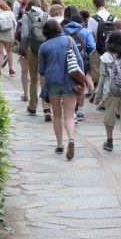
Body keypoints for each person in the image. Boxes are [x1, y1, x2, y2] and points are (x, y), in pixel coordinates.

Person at [38, 19, 83, 160]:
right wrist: (80, 79)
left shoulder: (43, 46)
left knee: (57, 115)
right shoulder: (69, 40)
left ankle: (59, 145)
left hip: (52, 83)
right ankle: (71, 139)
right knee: (69, 115)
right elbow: (79, 61)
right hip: (69, 81)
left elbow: (41, 70)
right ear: (59, 28)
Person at [21, 0, 52, 121]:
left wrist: (26, 49)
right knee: (44, 78)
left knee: (33, 79)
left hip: (32, 50)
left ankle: (33, 106)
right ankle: (47, 108)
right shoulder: (47, 16)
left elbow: (24, 35)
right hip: (46, 50)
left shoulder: (26, 16)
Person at [62, 5, 95, 121]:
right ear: (81, 22)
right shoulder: (85, 31)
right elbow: (92, 47)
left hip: (66, 61)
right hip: (81, 62)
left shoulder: (63, 31)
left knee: (66, 83)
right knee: (81, 84)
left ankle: (69, 110)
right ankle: (80, 111)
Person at [87, 0, 116, 87]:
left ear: (94, 5)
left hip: (98, 49)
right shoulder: (114, 18)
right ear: (105, 3)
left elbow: (90, 36)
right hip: (112, 50)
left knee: (97, 75)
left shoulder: (92, 19)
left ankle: (98, 91)